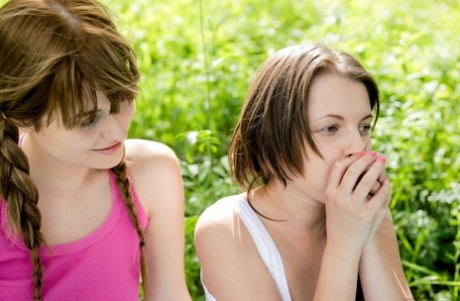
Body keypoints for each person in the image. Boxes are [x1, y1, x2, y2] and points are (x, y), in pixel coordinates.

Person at [0, 0, 192, 300]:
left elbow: (169, 293)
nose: (118, 132)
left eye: (122, 100)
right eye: (87, 120)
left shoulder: (152, 174)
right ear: (22, 116)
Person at [194, 43, 414, 300]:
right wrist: (343, 245)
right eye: (331, 128)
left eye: (364, 127)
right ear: (275, 135)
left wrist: (365, 237)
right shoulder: (227, 229)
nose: (357, 145)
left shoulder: (364, 211)